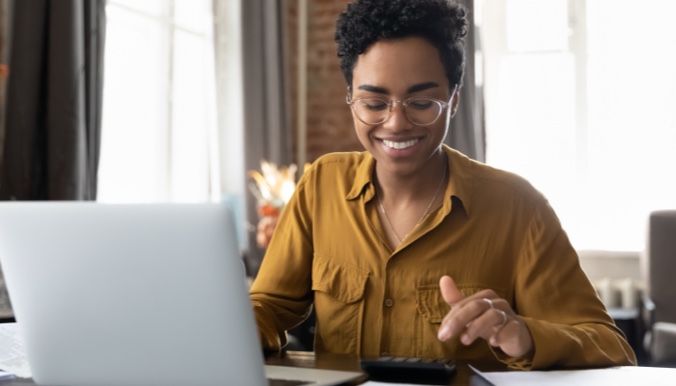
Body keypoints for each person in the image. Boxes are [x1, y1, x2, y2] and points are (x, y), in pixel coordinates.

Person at [249, 0, 636, 369]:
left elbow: (610, 345)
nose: (396, 123)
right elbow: (268, 307)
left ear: (452, 101)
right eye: (374, 103)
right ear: (350, 98)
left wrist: (525, 335)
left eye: (421, 103)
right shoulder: (321, 185)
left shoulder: (518, 207)